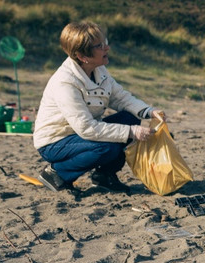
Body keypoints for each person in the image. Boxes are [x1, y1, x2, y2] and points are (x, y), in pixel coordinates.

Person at [33, 21, 165, 194]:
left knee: (130, 117)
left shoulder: (100, 69)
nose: (107, 48)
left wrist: (149, 111)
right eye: (100, 46)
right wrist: (132, 132)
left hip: (82, 134)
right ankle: (57, 173)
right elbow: (86, 128)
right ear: (82, 56)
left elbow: (120, 97)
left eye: (105, 42)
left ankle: (104, 177)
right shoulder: (65, 82)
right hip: (56, 141)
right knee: (106, 147)